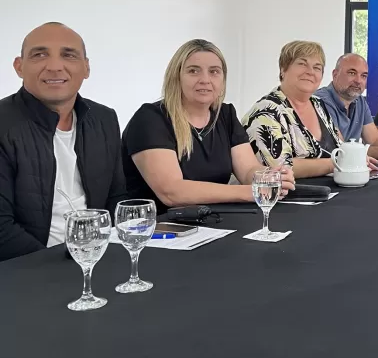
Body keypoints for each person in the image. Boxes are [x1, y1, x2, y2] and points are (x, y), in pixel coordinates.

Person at [0, 23, 127, 262]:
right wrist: (63, 265)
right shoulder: (3, 124)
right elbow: (2, 231)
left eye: (68, 55)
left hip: (98, 258)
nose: (55, 66)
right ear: (19, 66)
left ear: (86, 67)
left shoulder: (104, 119)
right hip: (26, 271)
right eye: (39, 55)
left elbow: (116, 199)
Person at [123, 39, 294, 213]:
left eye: (214, 72)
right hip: (155, 229)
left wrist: (269, 177)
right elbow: (172, 192)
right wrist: (250, 191)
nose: (205, 79)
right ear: (176, 77)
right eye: (193, 71)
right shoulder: (150, 118)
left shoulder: (225, 115)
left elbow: (248, 170)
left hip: (209, 220)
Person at [243, 41, 377, 179]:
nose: (310, 72)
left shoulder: (318, 105)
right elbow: (280, 167)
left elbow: (340, 148)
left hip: (332, 191)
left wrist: (357, 158)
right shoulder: (266, 111)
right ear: (283, 69)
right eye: (302, 64)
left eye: (317, 67)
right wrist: (338, 163)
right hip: (289, 197)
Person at [315, 53, 378, 160]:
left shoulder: (359, 100)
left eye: (363, 76)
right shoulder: (320, 101)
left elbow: (375, 139)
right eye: (352, 73)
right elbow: (341, 150)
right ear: (335, 74)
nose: (358, 81)